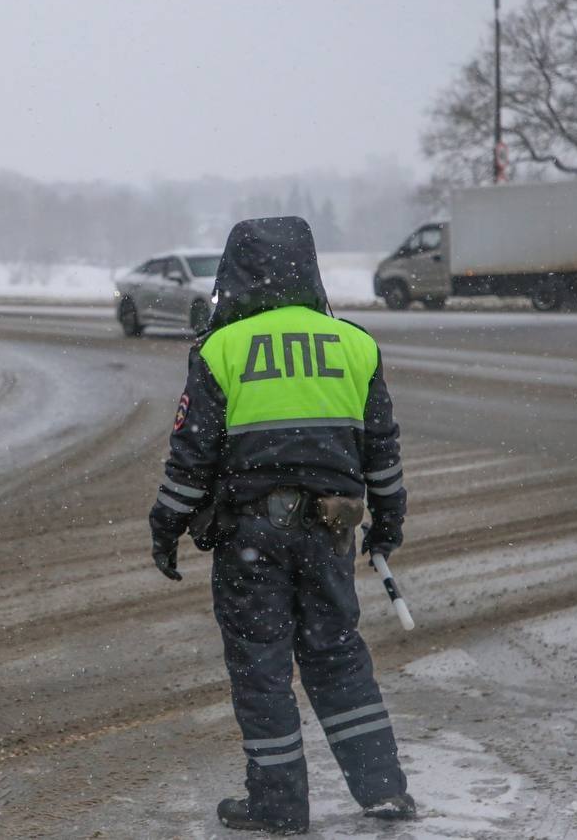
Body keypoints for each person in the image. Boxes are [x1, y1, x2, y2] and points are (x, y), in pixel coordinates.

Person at [148, 217, 417, 834]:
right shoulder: (353, 344)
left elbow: (191, 458)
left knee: (261, 668)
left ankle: (279, 806)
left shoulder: (221, 349)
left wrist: (167, 525)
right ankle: (382, 791)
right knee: (338, 658)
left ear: (235, 273)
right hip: (330, 532)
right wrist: (388, 522)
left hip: (251, 538)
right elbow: (382, 449)